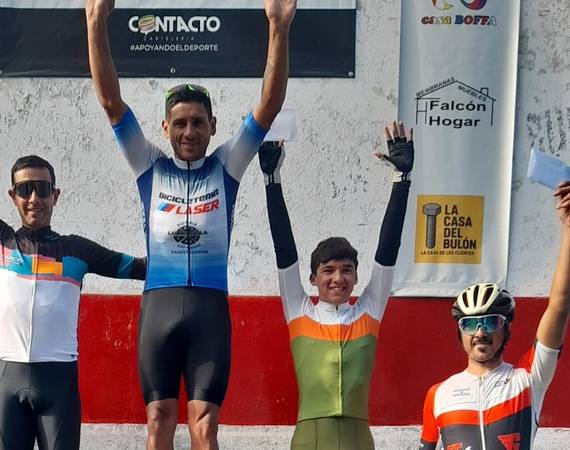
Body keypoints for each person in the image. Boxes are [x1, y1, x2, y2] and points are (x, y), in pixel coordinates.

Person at [86, 0, 297, 447]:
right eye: (179, 123)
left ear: (213, 125)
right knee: (158, 420)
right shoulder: (149, 165)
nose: (189, 132)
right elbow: (110, 101)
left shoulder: (227, 164)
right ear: (165, 128)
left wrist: (278, 27)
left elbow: (269, 105)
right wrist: (96, 22)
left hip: (209, 308)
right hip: (158, 306)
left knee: (205, 424)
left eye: (198, 122)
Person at [0, 67, 147, 450]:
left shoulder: (77, 250)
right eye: (24, 190)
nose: (34, 198)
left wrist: (192, 253)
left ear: (56, 195)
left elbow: (141, 269)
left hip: (59, 382)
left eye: (41, 189)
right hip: (8, 378)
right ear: (13, 196)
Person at [258, 122, 414, 450]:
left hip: (359, 439)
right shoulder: (299, 311)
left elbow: (388, 251)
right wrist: (272, 180)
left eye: (346, 271)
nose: (338, 279)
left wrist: (402, 181)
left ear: (357, 277)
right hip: (310, 439)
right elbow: (284, 249)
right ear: (313, 278)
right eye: (328, 271)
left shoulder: (369, 311)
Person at [419, 183, 570, 450]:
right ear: (460, 332)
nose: (480, 332)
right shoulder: (439, 394)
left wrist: (568, 230)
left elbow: (559, 304)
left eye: (490, 322)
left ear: (506, 329)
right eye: (470, 324)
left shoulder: (528, 379)